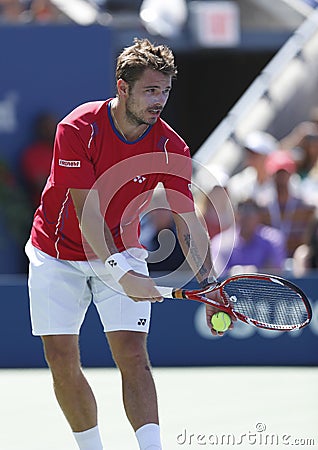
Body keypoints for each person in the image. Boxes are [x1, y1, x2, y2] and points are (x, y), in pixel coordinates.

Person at [25, 38, 227, 450]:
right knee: (61, 359)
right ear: (123, 87)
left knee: (132, 353)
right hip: (55, 252)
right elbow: (88, 213)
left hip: (123, 247)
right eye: (151, 90)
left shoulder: (171, 145)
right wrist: (124, 274)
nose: (160, 101)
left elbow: (186, 219)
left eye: (166, 91)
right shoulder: (77, 128)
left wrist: (209, 283)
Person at [260, 149, 316, 258]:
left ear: (290, 174)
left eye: (284, 173)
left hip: (298, 261)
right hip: (272, 263)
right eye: (278, 173)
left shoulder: (306, 207)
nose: (281, 178)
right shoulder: (263, 208)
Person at [211, 198, 286, 277]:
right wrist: (236, 273)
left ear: (259, 216)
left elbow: (276, 273)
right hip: (230, 288)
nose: (246, 216)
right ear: (235, 214)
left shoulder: (273, 239)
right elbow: (218, 276)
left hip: (262, 288)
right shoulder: (220, 243)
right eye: (242, 209)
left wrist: (255, 273)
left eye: (251, 210)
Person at [227, 130, 278, 206]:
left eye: (255, 154)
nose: (250, 157)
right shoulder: (243, 180)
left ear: (266, 157)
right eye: (249, 153)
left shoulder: (282, 182)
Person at [20, 112, 57, 209]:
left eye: (52, 125)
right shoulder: (33, 154)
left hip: (73, 209)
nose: (50, 130)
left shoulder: (66, 149)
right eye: (46, 127)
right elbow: (41, 184)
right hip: (46, 210)